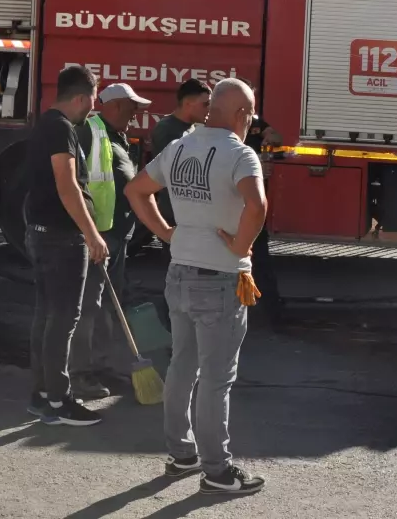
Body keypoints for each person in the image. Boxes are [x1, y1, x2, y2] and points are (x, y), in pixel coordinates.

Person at [126, 78, 267, 495]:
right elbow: (257, 206)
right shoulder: (240, 155)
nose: (251, 122)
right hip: (220, 279)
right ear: (240, 115)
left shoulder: (179, 147)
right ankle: (218, 472)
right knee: (216, 378)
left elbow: (136, 190)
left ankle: (181, 455)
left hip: (180, 272)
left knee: (183, 366)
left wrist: (167, 232)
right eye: (251, 114)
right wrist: (241, 245)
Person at [24, 65, 109, 427]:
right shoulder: (61, 128)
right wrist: (91, 233)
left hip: (43, 233)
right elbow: (68, 184)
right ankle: (59, 400)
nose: (94, 106)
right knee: (63, 318)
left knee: (46, 314)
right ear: (80, 97)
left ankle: (42, 394)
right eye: (93, 98)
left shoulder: (46, 124)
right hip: (61, 237)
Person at [69, 82, 150, 399]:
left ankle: (99, 366)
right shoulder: (90, 131)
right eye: (132, 109)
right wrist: (89, 233)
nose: (135, 116)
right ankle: (80, 374)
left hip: (117, 235)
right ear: (114, 106)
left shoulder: (117, 136)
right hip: (97, 235)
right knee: (89, 306)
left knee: (105, 307)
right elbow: (73, 184)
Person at [129, 79, 213, 255]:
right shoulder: (168, 130)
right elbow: (175, 173)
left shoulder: (189, 128)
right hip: (175, 214)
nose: (209, 109)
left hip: (186, 213)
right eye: (205, 104)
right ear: (188, 103)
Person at [245, 115, 284, 321]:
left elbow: (276, 136)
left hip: (252, 201)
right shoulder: (223, 127)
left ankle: (271, 307)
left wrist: (270, 137)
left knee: (259, 255)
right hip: (239, 201)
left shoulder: (256, 123)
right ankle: (270, 309)